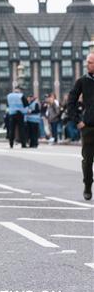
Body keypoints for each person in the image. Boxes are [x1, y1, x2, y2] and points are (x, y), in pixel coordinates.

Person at [66, 52, 94, 200]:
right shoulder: (82, 81)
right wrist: (77, 121)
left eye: (90, 62)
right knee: (88, 160)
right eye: (87, 62)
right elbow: (71, 101)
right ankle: (88, 186)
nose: (87, 65)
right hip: (88, 127)